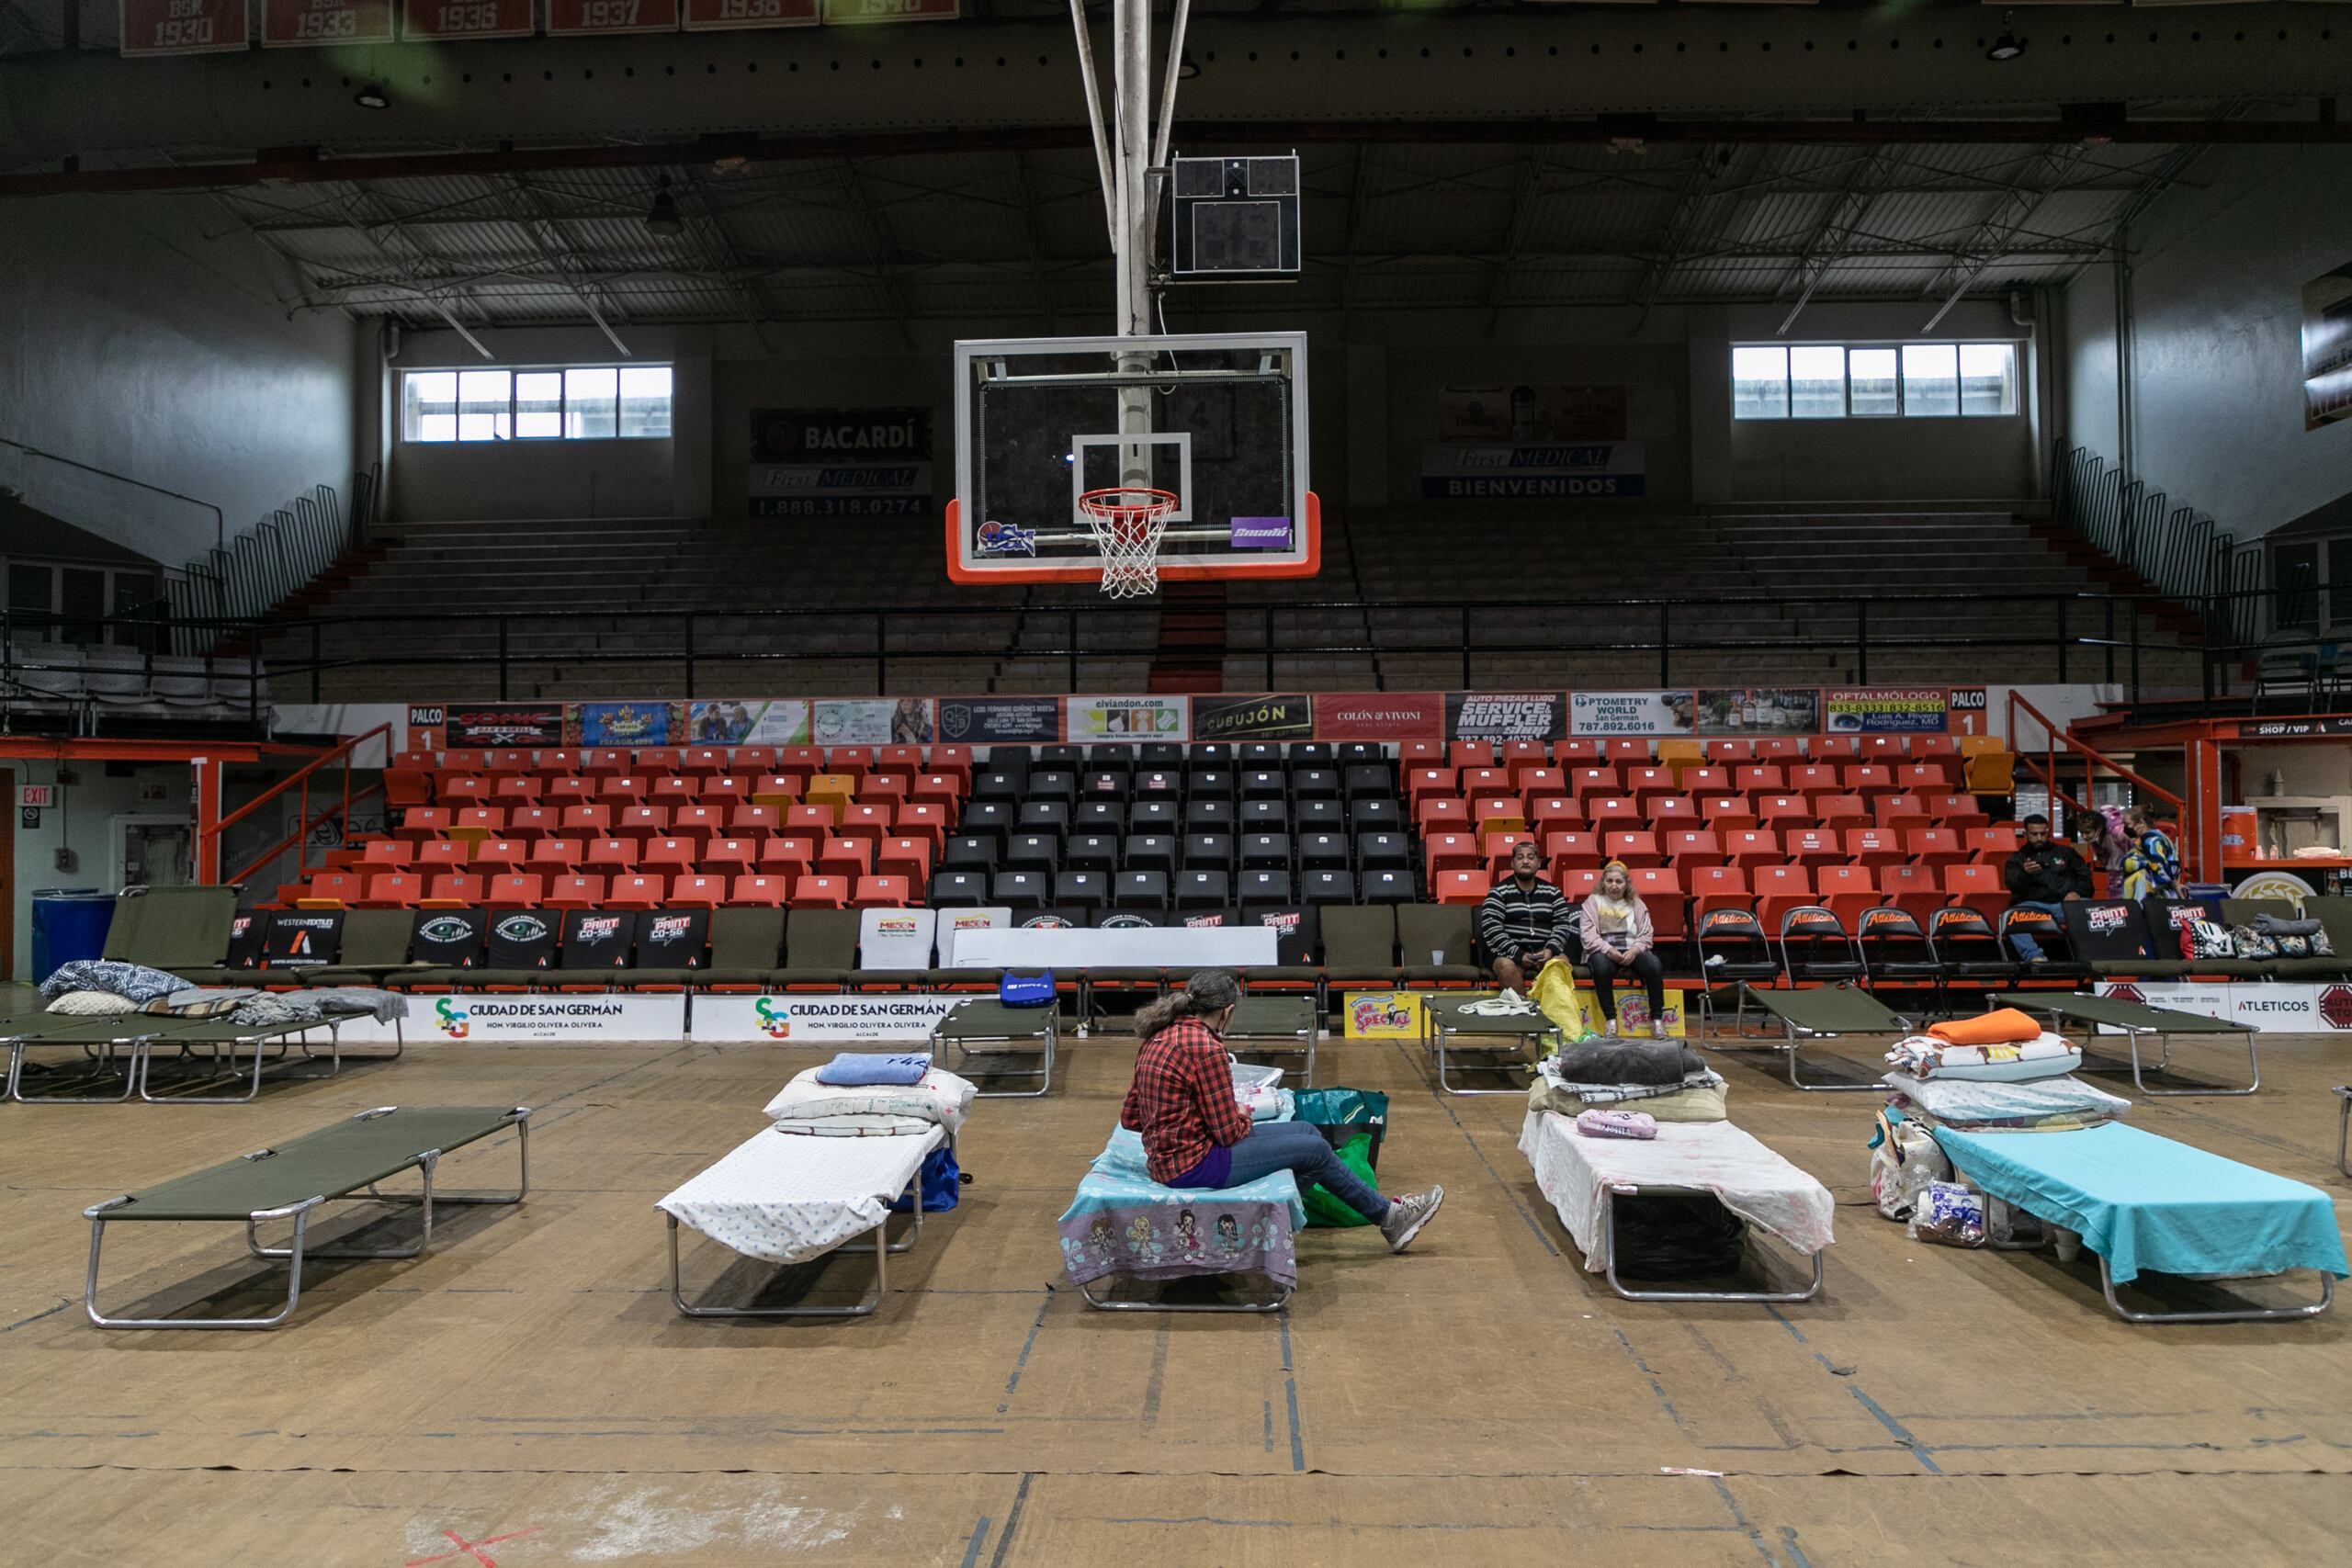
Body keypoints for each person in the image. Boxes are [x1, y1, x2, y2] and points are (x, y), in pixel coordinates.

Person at [1119, 970, 1443, 1253]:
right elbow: (1228, 1133)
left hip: (1167, 1160)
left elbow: (1131, 1118)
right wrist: (1240, 1114)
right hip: (1193, 1166)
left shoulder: (1157, 1035)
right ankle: (1384, 1218)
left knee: (1306, 1131)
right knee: (1314, 1149)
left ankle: (1376, 1216)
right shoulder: (1206, 1047)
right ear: (1226, 1012)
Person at [1578, 860, 1667, 1035]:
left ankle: (1657, 1020)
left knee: (1654, 965)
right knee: (1602, 967)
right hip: (1603, 950)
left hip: (1632, 949)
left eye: (1619, 882)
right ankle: (1610, 1020)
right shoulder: (1593, 901)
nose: (1614, 886)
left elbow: (1647, 934)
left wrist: (1634, 950)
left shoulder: (1637, 903)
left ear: (1626, 884)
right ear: (1603, 882)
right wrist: (1609, 950)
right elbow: (1588, 935)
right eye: (1609, 881)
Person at [1478, 840, 1578, 993]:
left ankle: (1552, 1013)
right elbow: (1492, 929)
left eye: (1531, 857)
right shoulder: (1498, 892)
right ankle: (1522, 1013)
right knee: (1506, 966)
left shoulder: (1552, 892)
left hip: (1544, 950)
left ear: (1538, 863)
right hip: (1508, 952)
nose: (1525, 861)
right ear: (1512, 863)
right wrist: (1518, 955)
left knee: (1561, 963)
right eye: (1520, 858)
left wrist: (1550, 949)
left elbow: (1562, 925)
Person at [2000, 813, 2093, 963]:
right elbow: (2013, 886)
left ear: (2048, 832)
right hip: (2033, 907)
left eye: (2043, 834)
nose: (2039, 838)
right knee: (2011, 916)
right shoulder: (2017, 858)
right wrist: (2025, 873)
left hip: (2065, 905)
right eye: (2034, 834)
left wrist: (2077, 892)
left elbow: (2085, 878)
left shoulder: (2066, 853)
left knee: (2097, 910)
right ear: (2025, 834)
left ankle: (2095, 956)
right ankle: (2034, 956)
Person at [2121, 805, 2182, 902]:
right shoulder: (2155, 837)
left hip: (2154, 898)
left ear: (2141, 822)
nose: (2125, 828)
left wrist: (2175, 885)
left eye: (2128, 824)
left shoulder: (2150, 840)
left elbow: (2159, 866)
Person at [2075, 807, 2125, 899]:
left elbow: (2117, 859)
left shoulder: (2112, 835)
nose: (2084, 836)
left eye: (2087, 832)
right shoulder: (2095, 839)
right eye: (2081, 832)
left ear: (2100, 828)